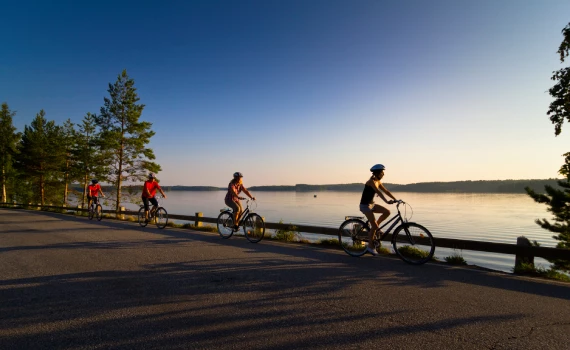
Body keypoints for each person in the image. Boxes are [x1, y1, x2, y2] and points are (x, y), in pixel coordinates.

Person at [360, 164, 398, 256]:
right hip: (365, 206)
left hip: (371, 205)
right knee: (374, 226)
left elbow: (386, 191)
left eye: (383, 173)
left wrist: (396, 199)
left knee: (387, 212)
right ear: (377, 173)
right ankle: (370, 246)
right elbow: (378, 192)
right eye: (382, 173)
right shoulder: (371, 182)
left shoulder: (378, 182)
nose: (383, 174)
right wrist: (386, 201)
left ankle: (376, 228)